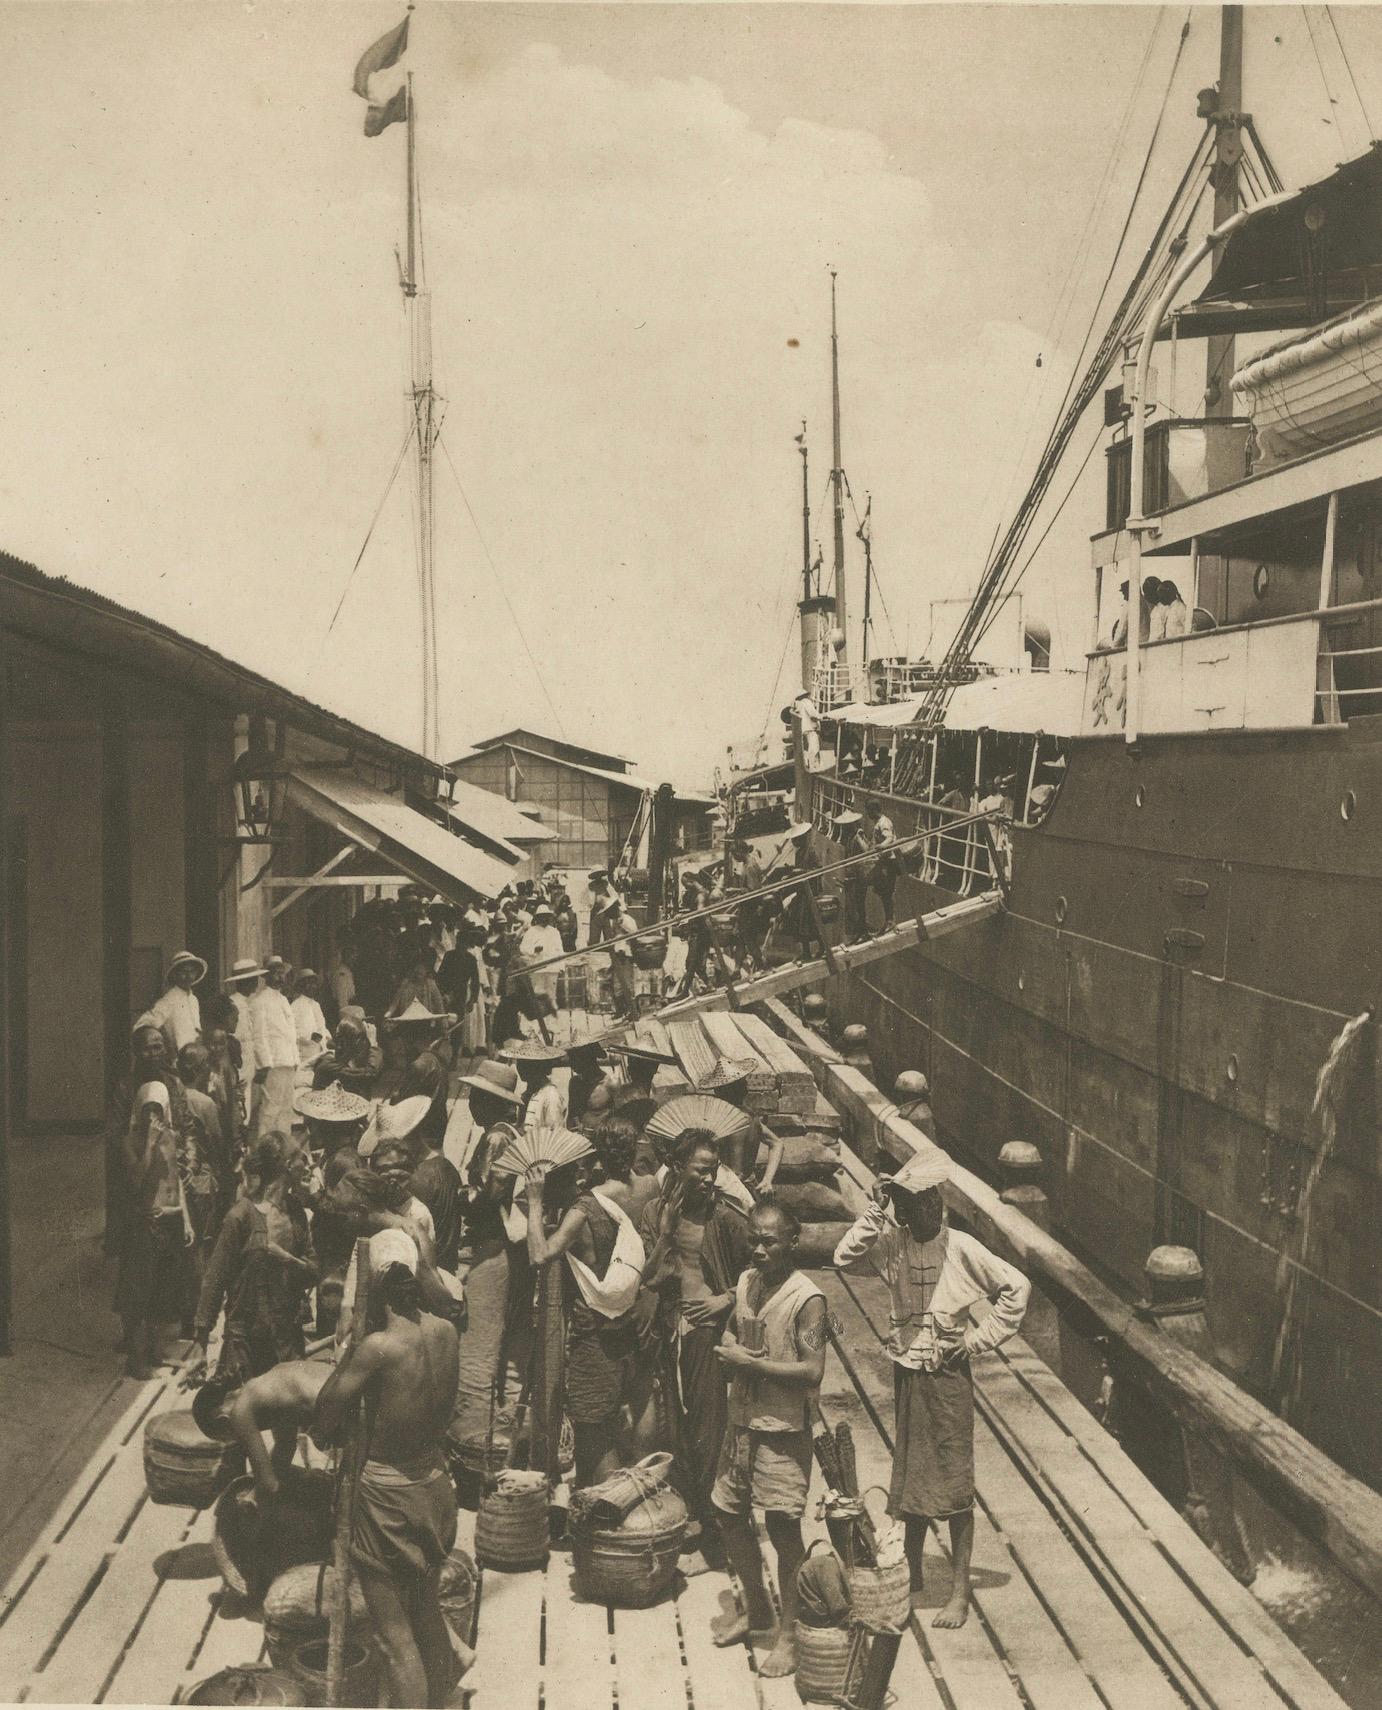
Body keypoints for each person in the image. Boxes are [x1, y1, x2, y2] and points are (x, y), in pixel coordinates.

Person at [833, 1151, 1030, 1628]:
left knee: (954, 1478)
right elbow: (843, 1257)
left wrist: (977, 1341)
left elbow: (1016, 1287)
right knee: (911, 1472)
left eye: (932, 1203)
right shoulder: (892, 1245)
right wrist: (877, 1210)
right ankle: (914, 1569)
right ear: (901, 1209)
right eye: (915, 1205)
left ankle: (960, 1591)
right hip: (908, 1369)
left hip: (946, 1372)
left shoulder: (961, 1248)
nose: (928, 1211)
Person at [313, 1229, 461, 1710]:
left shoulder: (379, 1347)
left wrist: (346, 1354)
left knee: (395, 1642)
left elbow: (326, 1410)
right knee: (427, 1617)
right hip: (435, 1485)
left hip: (386, 1497)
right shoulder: (445, 1331)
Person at [710, 1203, 827, 1676]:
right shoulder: (747, 1281)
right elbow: (732, 1327)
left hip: (783, 1429)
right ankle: (758, 1609)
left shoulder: (810, 1299)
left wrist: (753, 1366)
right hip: (742, 1421)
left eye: (769, 1242)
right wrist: (731, 1346)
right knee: (727, 1511)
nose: (758, 1249)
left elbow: (813, 1370)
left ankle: (792, 1637)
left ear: (792, 1243)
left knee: (782, 1529)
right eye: (753, 1240)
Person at [639, 1132, 752, 1556]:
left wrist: (726, 1298)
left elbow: (760, 1270)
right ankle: (689, 1509)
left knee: (709, 1423)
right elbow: (649, 1277)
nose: (709, 1178)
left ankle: (714, 1519)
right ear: (678, 1167)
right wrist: (666, 1235)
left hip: (707, 1332)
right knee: (674, 1422)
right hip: (669, 1327)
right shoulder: (655, 1213)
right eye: (701, 1169)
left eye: (714, 1170)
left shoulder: (726, 1217)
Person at [523, 1141, 647, 1487]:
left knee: (593, 1431)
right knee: (609, 1422)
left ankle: (603, 1507)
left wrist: (534, 1202)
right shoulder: (623, 1198)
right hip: (622, 1328)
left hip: (593, 1334)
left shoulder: (580, 1212)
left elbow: (539, 1254)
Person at [185, 1131, 317, 1392]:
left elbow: (314, 1271)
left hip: (286, 1340)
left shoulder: (296, 1212)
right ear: (287, 1165)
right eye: (302, 1157)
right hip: (245, 1343)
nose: (308, 1164)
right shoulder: (240, 1217)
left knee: (286, 1424)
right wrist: (200, 1345)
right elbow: (214, 1280)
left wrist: (287, 1259)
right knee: (241, 1422)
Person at [115, 1081, 196, 1380]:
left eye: (157, 1111)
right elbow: (136, 1179)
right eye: (147, 1110)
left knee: (162, 1293)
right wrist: (148, 1145)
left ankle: (154, 1352)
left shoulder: (171, 1138)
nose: (152, 1117)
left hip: (169, 1222)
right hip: (144, 1225)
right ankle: (136, 1362)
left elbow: (176, 1184)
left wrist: (185, 1220)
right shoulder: (129, 1141)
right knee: (139, 1293)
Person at [249, 956, 299, 1139]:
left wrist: (295, 1059)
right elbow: (259, 1035)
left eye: (282, 973)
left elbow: (290, 1033)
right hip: (274, 1062)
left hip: (288, 1060)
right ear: (266, 977)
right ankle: (265, 1144)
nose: (280, 978)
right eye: (275, 974)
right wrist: (265, 1063)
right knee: (270, 1107)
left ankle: (282, 1144)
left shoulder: (284, 1000)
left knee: (286, 1107)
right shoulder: (260, 1001)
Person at [145, 951, 208, 1058]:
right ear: (175, 974)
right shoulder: (169, 1000)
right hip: (179, 1061)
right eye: (184, 972)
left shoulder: (194, 999)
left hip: (197, 1059)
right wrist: (167, 1043)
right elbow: (145, 1024)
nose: (188, 976)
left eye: (192, 972)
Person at [502, 1040, 568, 1131]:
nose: (520, 1068)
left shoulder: (550, 1096)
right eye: (519, 1063)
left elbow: (554, 1134)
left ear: (537, 1066)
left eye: (525, 1064)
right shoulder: (527, 1095)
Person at [519, 906, 564, 1019]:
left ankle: (552, 1022)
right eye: (542, 916)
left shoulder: (555, 932)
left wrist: (561, 966)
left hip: (552, 969)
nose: (545, 919)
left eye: (547, 916)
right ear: (538, 917)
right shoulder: (531, 931)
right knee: (537, 996)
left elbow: (560, 950)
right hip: (537, 969)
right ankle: (539, 1023)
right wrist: (534, 950)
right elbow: (523, 948)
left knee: (551, 997)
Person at [863, 800, 898, 932]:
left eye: (868, 811)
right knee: (884, 892)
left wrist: (881, 846)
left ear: (873, 810)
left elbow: (889, 838)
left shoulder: (884, 822)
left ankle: (890, 921)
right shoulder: (879, 823)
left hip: (889, 862)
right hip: (884, 861)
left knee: (887, 892)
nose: (868, 815)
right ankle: (888, 920)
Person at [566, 1039, 612, 1128]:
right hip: (579, 1138)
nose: (571, 1064)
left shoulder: (610, 1084)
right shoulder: (575, 1083)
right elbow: (571, 1115)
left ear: (587, 1058)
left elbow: (618, 1121)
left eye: (574, 1058)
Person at [291, 969, 332, 1068]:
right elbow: (292, 1030)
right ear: (302, 986)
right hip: (305, 1053)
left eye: (314, 983)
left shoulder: (316, 1005)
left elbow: (321, 1026)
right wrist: (309, 1037)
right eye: (309, 984)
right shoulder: (296, 1005)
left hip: (320, 1051)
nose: (313, 987)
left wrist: (328, 1037)